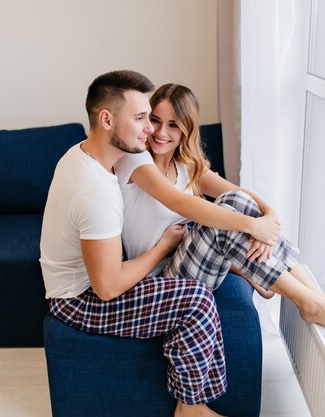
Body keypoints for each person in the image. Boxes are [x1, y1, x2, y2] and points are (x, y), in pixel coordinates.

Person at [40, 71, 281, 417]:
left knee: (201, 281)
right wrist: (162, 248)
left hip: (86, 285)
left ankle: (192, 405)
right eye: (141, 119)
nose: (150, 130)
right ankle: (191, 409)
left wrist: (261, 217)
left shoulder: (82, 156)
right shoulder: (96, 192)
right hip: (77, 301)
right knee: (196, 301)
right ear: (107, 119)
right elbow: (106, 288)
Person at [114, 83, 325, 335]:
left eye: (173, 125)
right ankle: (307, 301)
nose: (160, 132)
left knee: (237, 201)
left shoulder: (186, 165)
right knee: (222, 226)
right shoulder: (135, 160)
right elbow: (182, 203)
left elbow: (239, 194)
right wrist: (252, 226)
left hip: (187, 264)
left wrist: (270, 216)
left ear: (186, 129)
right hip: (157, 283)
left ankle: (320, 299)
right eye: (156, 120)